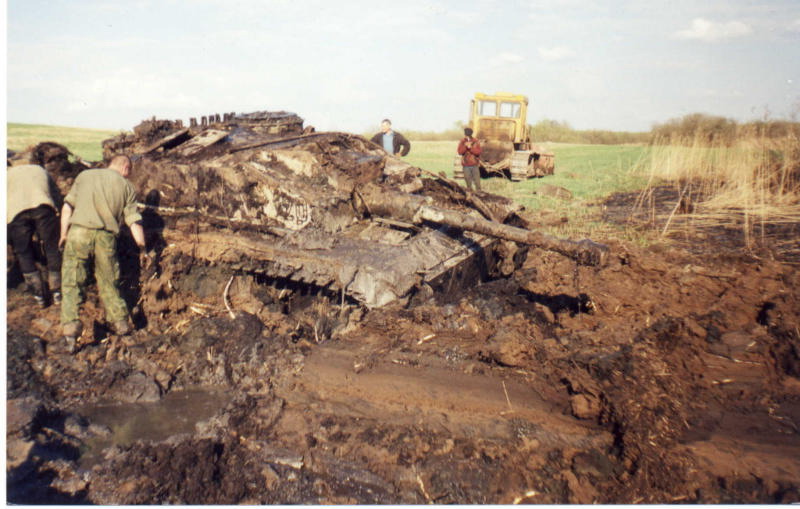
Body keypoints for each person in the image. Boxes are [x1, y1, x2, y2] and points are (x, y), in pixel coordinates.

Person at [59, 154, 146, 351]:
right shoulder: (126, 186)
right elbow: (133, 220)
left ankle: (70, 334)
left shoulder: (84, 176)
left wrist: (63, 234)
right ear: (125, 168)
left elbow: (67, 207)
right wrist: (142, 247)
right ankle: (122, 326)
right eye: (129, 172)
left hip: (78, 233)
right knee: (109, 281)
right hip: (106, 238)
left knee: (72, 281)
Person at [7, 155, 64, 307]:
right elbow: (56, 194)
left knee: (23, 252)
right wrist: (59, 214)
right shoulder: (40, 170)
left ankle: (38, 295)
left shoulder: (7, 175)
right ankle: (57, 292)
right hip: (43, 207)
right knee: (52, 248)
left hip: (16, 213)